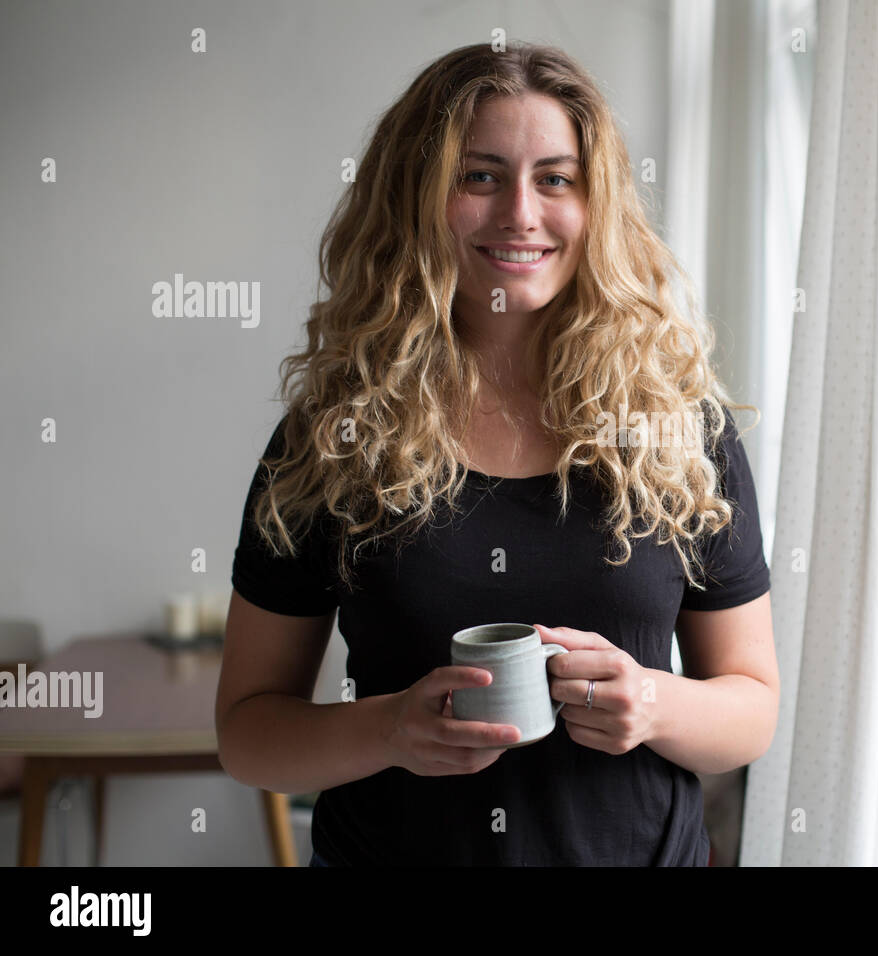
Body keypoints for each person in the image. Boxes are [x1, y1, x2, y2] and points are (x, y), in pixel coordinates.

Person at [214, 41, 777, 866]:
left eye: (556, 178)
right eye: (479, 176)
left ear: (597, 203)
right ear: (418, 196)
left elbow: (751, 708)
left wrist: (652, 704)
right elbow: (248, 733)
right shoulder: (336, 435)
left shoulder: (674, 426)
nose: (521, 212)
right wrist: (392, 729)